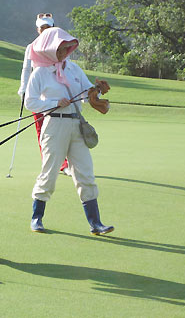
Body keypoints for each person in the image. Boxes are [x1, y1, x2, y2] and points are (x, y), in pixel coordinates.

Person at [24, 27, 114, 235]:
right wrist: (55, 102)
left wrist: (97, 90)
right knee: (49, 173)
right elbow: (30, 102)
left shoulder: (73, 69)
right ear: (48, 48)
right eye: (59, 48)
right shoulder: (39, 73)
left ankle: (96, 224)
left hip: (76, 125)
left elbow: (86, 94)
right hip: (54, 125)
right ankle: (36, 218)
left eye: (66, 48)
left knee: (86, 174)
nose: (64, 52)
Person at [17, 13, 71, 176]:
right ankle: (49, 163)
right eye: (42, 28)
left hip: (58, 95)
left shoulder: (60, 47)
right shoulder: (31, 47)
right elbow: (26, 69)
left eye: (48, 27)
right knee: (42, 132)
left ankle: (65, 164)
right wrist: (23, 89)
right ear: (37, 29)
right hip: (39, 95)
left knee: (62, 130)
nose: (45, 30)